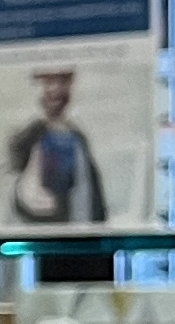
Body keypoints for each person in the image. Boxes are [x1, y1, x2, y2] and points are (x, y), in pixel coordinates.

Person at [6, 68, 108, 224]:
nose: (55, 88)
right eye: (47, 81)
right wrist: (22, 194)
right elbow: (7, 183)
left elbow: (91, 195)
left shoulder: (77, 137)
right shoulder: (24, 137)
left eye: (63, 80)